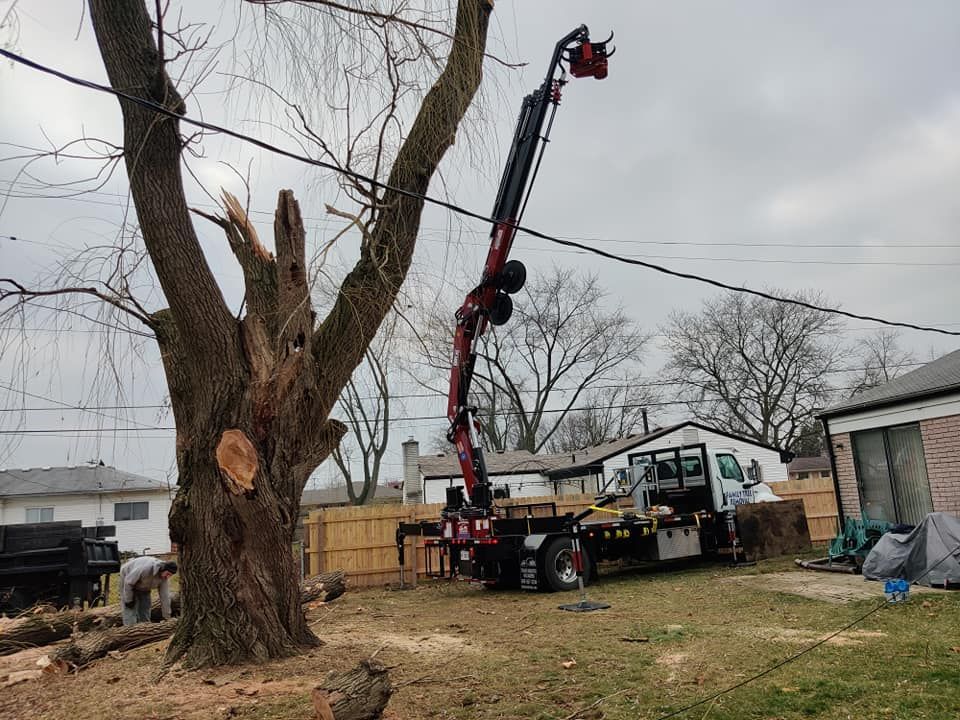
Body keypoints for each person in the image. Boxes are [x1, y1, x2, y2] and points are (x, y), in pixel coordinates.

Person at [119, 556, 177, 626]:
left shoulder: (164, 578)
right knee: (130, 608)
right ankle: (130, 629)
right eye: (167, 574)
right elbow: (129, 583)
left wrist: (167, 617)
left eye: (170, 575)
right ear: (162, 569)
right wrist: (128, 600)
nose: (168, 577)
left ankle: (145, 627)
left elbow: (165, 596)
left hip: (144, 586)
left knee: (145, 606)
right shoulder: (145, 569)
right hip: (128, 579)